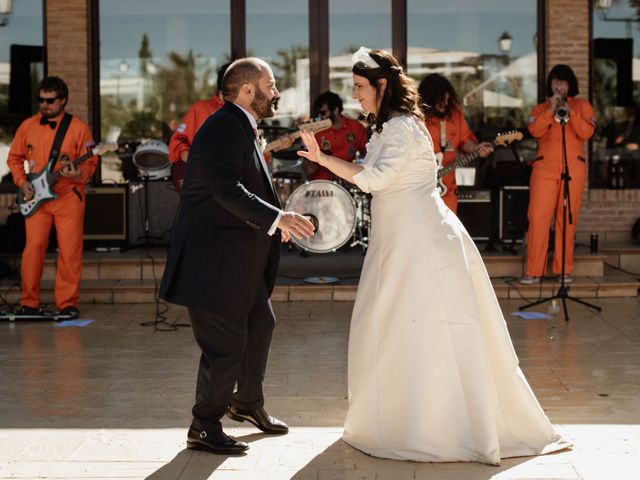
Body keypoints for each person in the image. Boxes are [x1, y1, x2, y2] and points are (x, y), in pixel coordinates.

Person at [298, 47, 569, 465]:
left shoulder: (404, 126)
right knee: (394, 329)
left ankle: (439, 428)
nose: (355, 96)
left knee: (430, 330)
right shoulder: (388, 128)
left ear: (382, 86)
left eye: (359, 88)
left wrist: (323, 158)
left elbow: (376, 179)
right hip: (396, 244)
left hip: (420, 244)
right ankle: (397, 420)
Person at [159, 58, 314, 455]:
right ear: (249, 90)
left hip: (235, 260)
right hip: (212, 262)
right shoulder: (224, 126)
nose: (276, 92)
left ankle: (246, 404)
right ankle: (204, 424)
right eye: (272, 84)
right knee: (225, 345)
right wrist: (278, 218)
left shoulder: (240, 125)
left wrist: (272, 224)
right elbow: (226, 190)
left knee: (261, 325)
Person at [6, 76, 98, 319]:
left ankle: (67, 303)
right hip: (36, 197)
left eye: (50, 100)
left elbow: (91, 161)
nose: (44, 105)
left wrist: (79, 173)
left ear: (63, 100)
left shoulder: (78, 128)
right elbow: (14, 158)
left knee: (69, 250)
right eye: (41, 100)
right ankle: (29, 301)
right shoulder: (27, 126)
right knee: (33, 249)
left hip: (68, 196)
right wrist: (22, 182)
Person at [520, 65, 595, 285]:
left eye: (562, 82)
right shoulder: (540, 108)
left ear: (570, 85)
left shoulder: (582, 106)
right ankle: (534, 271)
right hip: (545, 168)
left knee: (567, 219)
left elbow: (587, 133)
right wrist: (550, 111)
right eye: (554, 82)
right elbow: (534, 131)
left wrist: (570, 114)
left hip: (573, 168)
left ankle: (564, 270)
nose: (558, 86)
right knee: (537, 217)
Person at [418, 73, 493, 213]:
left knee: (449, 232)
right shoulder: (417, 119)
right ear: (430, 98)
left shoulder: (454, 115)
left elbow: (464, 141)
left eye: (448, 99)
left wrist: (477, 148)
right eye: (442, 100)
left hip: (448, 189)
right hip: (421, 188)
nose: (446, 104)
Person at [168, 63, 230, 190]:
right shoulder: (200, 108)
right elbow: (177, 139)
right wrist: (186, 153)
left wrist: (270, 149)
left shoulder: (245, 113)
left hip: (230, 182)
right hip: (200, 180)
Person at [305, 91, 367, 181]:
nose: (321, 117)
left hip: (348, 180)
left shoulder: (356, 127)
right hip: (322, 182)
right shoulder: (316, 130)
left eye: (323, 112)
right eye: (318, 113)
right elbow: (306, 157)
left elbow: (367, 154)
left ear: (336, 110)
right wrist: (307, 165)